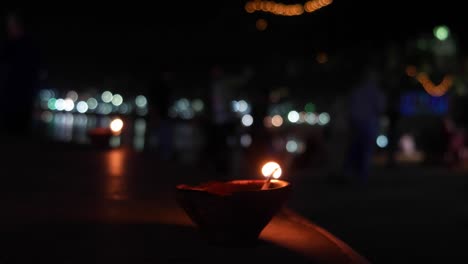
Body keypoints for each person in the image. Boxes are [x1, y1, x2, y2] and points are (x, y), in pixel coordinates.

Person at [0, 11, 41, 137]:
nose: (9, 27)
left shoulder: (25, 47)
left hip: (18, 100)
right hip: (11, 99)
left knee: (16, 132)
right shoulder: (9, 46)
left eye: (12, 24)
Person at [346, 68, 386, 184]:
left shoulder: (358, 91)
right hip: (367, 124)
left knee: (355, 150)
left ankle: (353, 175)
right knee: (364, 151)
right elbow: (380, 109)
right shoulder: (376, 93)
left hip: (358, 123)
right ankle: (361, 176)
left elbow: (351, 108)